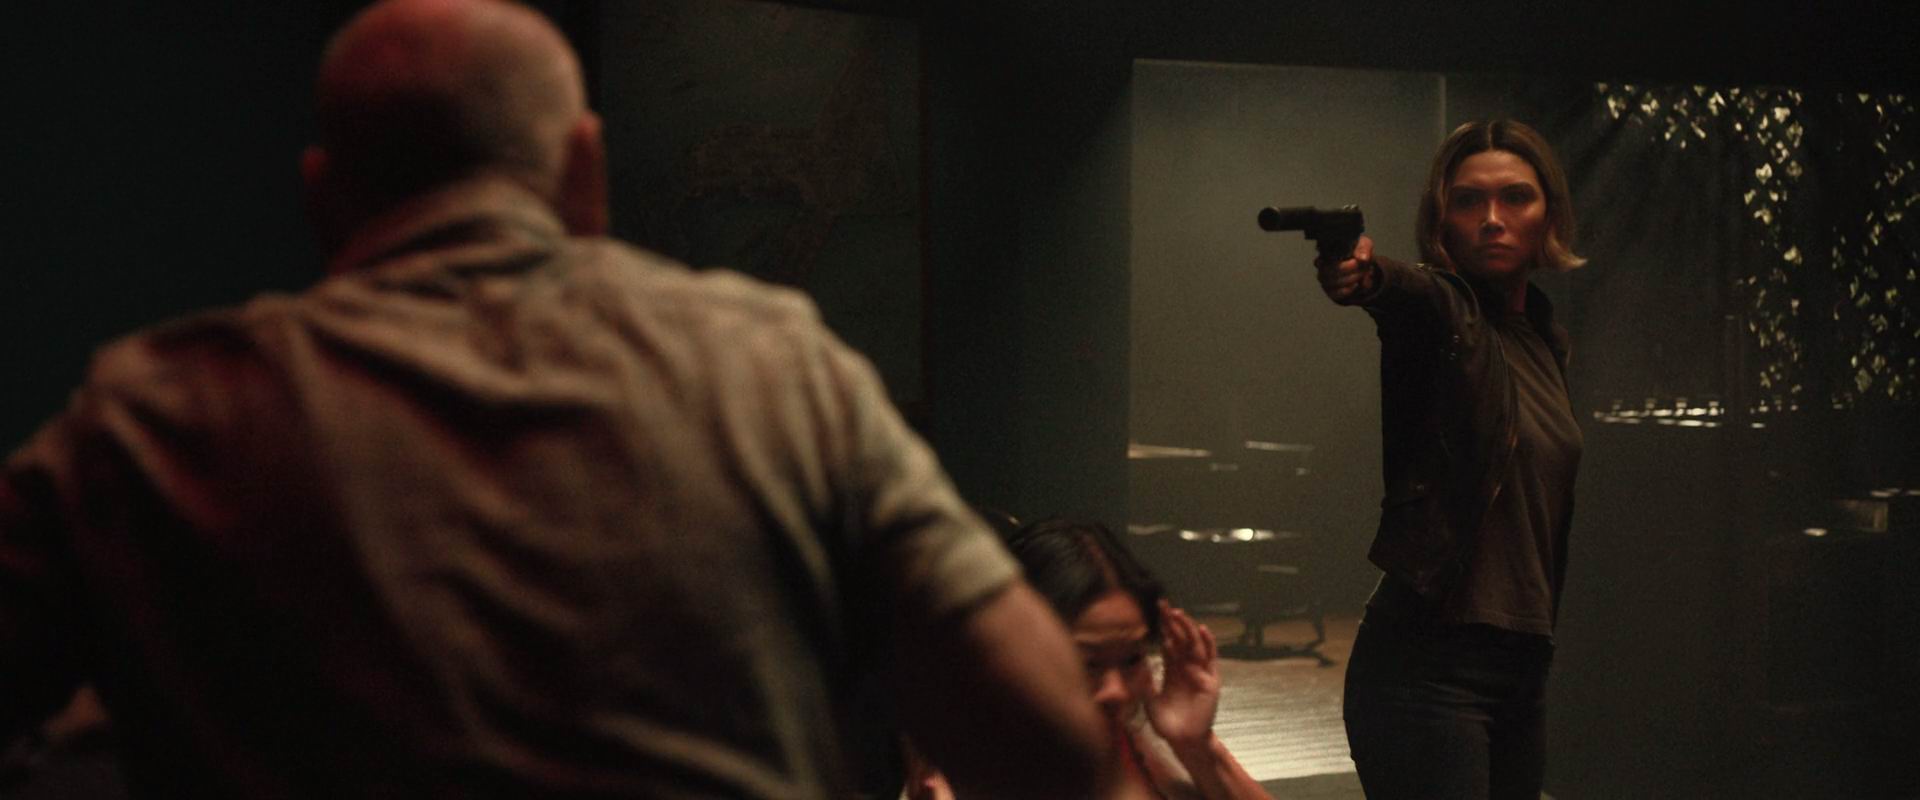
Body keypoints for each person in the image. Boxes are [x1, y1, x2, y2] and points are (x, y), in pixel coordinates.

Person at [0, 1, 1122, 797]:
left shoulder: (156, 415)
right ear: (586, 169)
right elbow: (1042, 741)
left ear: (322, 196)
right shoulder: (778, 371)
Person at [1314, 119, 1586, 799]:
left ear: (1549, 213)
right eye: (1468, 201)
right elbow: (1398, 290)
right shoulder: (1440, 313)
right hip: (1427, 668)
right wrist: (1359, 273)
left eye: (1515, 197)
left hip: (1522, 668)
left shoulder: (1544, 339)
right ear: (1441, 220)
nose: (1492, 218)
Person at [905, 518, 1271, 800]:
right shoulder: (972, 765)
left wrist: (1197, 746)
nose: (1116, 691)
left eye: (1132, 659)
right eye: (1088, 664)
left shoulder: (1136, 741)